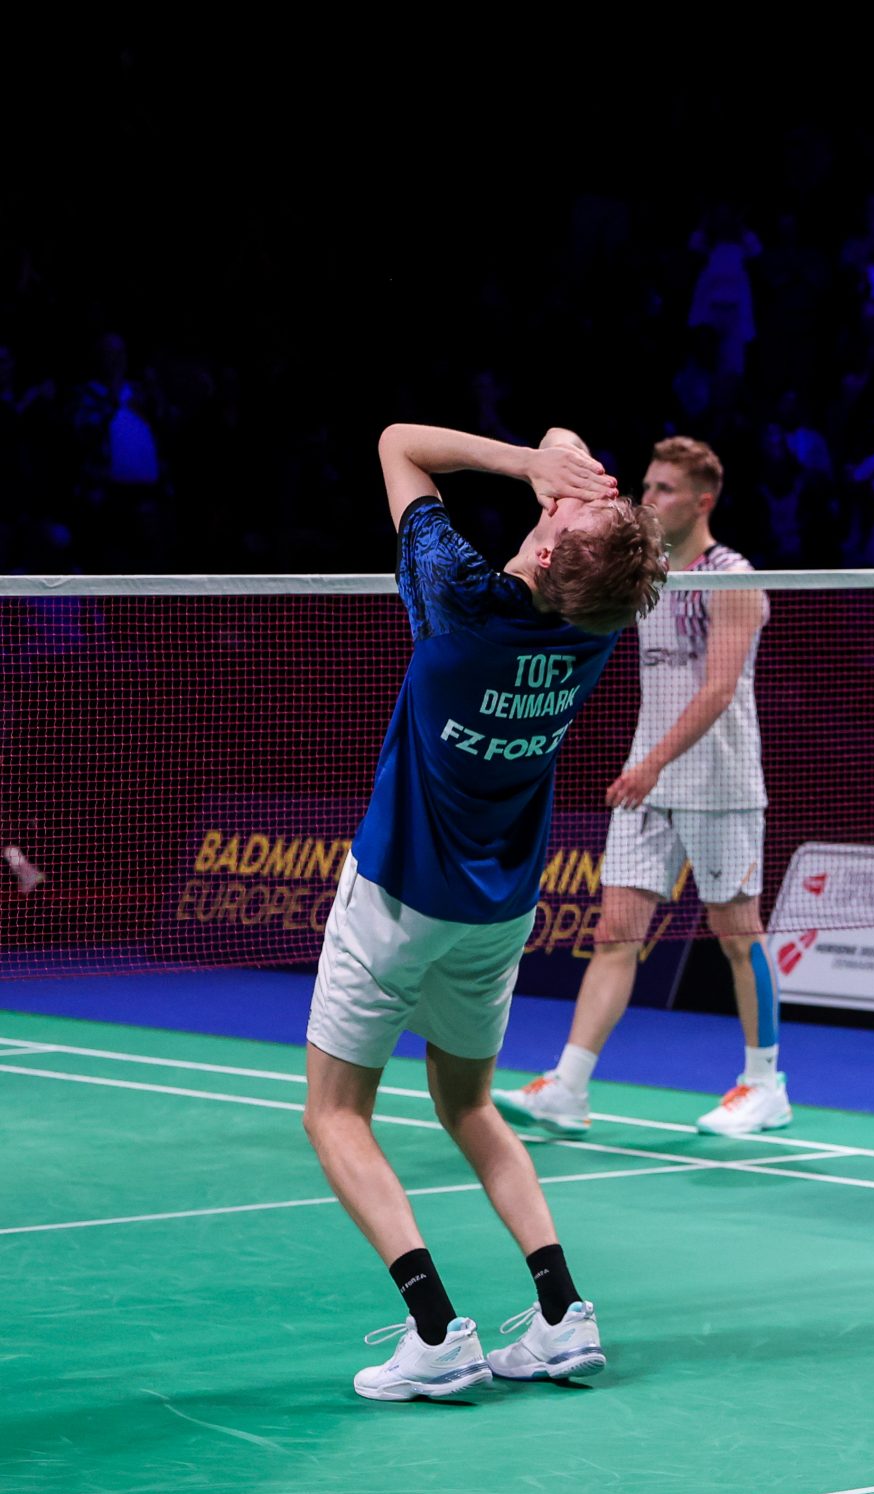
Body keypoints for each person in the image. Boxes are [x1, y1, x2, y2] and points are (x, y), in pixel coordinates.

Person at [304, 422, 667, 1401]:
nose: (566, 498)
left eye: (567, 512)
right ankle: (561, 1314)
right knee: (468, 1105)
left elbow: (396, 444)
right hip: (499, 911)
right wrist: (562, 482)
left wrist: (526, 466)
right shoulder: (598, 619)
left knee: (335, 1114)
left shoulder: (455, 597)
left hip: (396, 898)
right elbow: (576, 472)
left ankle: (435, 1333)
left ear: (546, 551)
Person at [499, 436, 786, 1139]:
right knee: (614, 934)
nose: (649, 497)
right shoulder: (646, 573)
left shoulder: (732, 575)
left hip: (718, 783)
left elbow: (719, 688)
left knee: (738, 934)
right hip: (647, 782)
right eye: (648, 485)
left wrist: (652, 762)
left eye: (664, 489)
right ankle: (568, 1086)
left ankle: (764, 1084)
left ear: (702, 501)